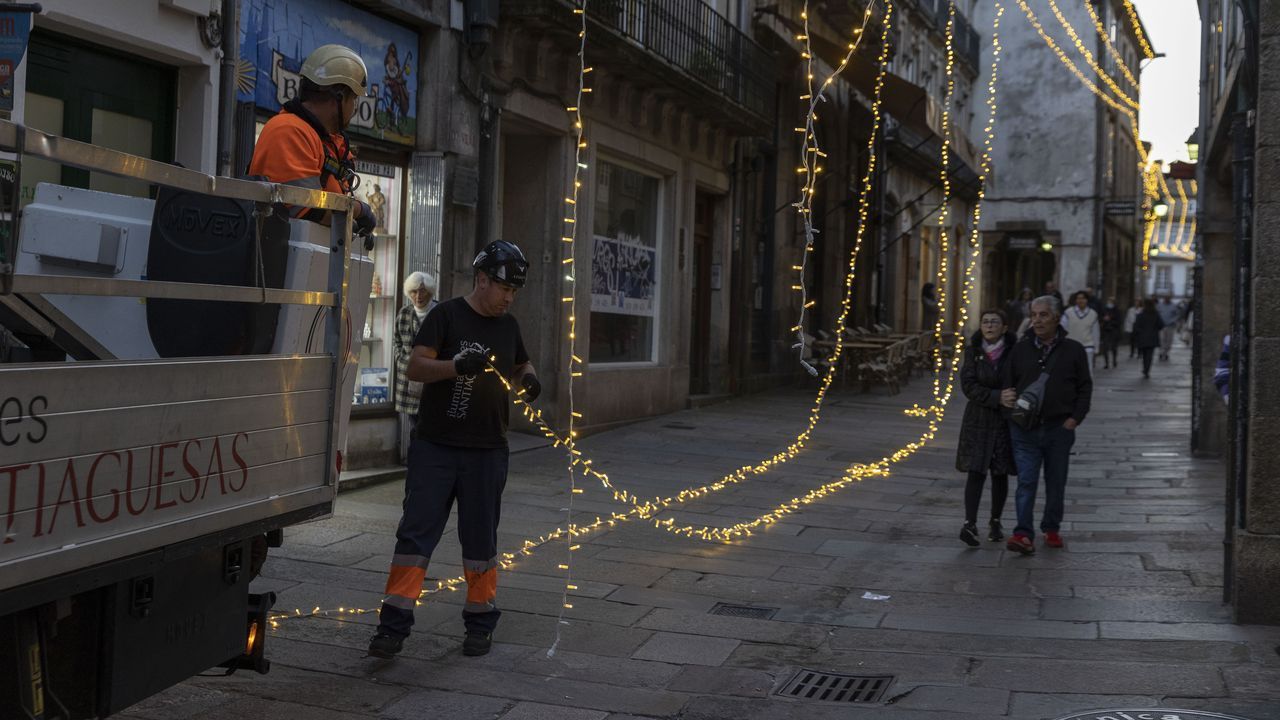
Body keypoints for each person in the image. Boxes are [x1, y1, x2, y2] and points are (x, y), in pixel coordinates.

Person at [369, 241, 540, 660]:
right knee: (415, 535)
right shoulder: (445, 315)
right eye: (503, 288)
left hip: (488, 450)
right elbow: (416, 368)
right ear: (481, 279)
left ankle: (480, 623)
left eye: (514, 292)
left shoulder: (508, 325)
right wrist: (456, 366)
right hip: (436, 448)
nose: (508, 297)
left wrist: (530, 379)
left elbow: (522, 363)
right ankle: (393, 628)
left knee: (481, 540)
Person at [248, 44, 376, 233]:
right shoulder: (289, 131)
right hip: (279, 259)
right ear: (339, 97)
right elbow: (307, 209)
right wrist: (358, 211)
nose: (355, 107)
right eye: (354, 99)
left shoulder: (326, 141)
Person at [1000, 295, 1092, 555]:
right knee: (1026, 481)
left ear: (1055, 317)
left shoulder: (1073, 350)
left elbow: (1085, 386)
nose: (1037, 320)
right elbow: (1008, 382)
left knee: (1056, 481)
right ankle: (1023, 533)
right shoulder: (1020, 348)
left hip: (1058, 428)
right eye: (1034, 315)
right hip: (1024, 429)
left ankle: (1051, 528)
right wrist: (1011, 415)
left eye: (1043, 315)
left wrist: (1074, 419)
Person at [955, 309, 1017, 546]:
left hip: (1003, 420)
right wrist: (995, 396)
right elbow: (968, 384)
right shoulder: (973, 352)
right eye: (985, 322)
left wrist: (1006, 398)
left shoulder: (1014, 352)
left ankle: (995, 520)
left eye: (995, 322)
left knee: (999, 472)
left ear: (1004, 327)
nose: (989, 326)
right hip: (978, 420)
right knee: (976, 471)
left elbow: (1018, 380)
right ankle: (969, 523)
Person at [393, 271, 438, 463]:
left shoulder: (439, 312)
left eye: (423, 292)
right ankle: (418, 459)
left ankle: (428, 459)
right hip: (408, 378)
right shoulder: (404, 313)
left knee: (431, 422)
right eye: (413, 292)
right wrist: (401, 360)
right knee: (413, 424)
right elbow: (396, 341)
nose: (418, 297)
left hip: (432, 378)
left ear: (430, 292)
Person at [1062, 291, 1100, 374]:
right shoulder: (1068, 313)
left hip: (1087, 346)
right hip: (1071, 346)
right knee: (1070, 370)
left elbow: (1095, 332)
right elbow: (1062, 328)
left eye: (1083, 298)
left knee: (1087, 370)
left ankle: (1087, 386)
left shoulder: (1093, 314)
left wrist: (1096, 348)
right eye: (1078, 298)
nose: (1081, 300)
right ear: (1075, 300)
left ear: (1087, 300)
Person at [1132, 298, 1165, 378]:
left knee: (1144, 354)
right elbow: (1161, 325)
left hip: (1142, 337)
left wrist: (1139, 332)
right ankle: (1147, 370)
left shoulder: (1140, 315)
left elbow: (1136, 326)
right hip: (1152, 338)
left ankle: (1145, 369)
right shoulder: (1156, 314)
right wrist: (1155, 329)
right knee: (1149, 355)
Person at [1099, 296, 1122, 369]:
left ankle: (1114, 361)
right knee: (1105, 347)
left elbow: (1119, 321)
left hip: (1114, 330)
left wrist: (1110, 320)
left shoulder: (1117, 310)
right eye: (1109, 301)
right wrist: (1103, 319)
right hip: (1106, 330)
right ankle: (1106, 363)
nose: (1110, 302)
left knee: (1114, 347)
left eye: (1111, 301)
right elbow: (1100, 318)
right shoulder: (1104, 309)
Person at [1156, 295, 1179, 361]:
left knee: (1169, 340)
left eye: (1168, 298)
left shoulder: (1173, 306)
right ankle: (1161, 352)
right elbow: (1157, 314)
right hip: (1161, 326)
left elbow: (1177, 315)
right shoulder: (1159, 305)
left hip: (1170, 326)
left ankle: (1166, 353)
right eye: (1165, 298)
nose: (1166, 299)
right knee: (1161, 339)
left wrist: (1173, 320)